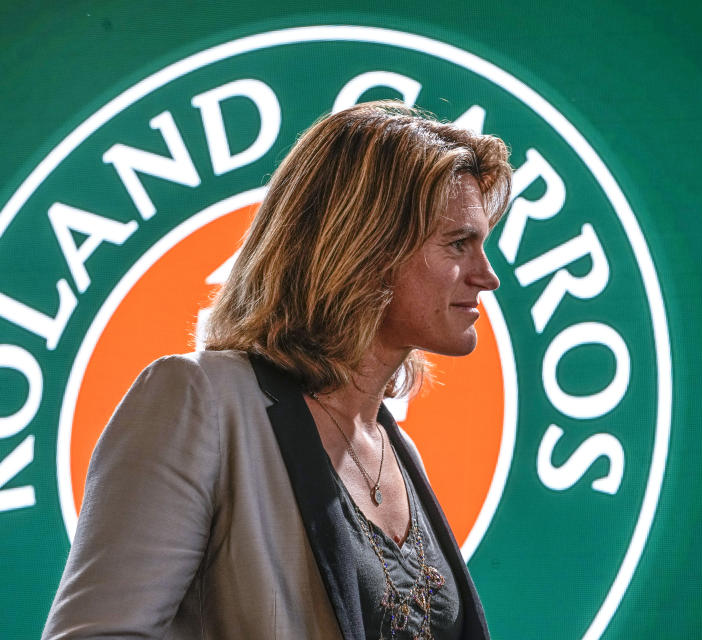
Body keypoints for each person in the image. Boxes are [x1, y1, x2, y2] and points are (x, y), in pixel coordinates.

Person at [42, 100, 512, 640]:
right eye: (459, 243)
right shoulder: (198, 401)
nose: (486, 276)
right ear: (364, 245)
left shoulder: (399, 452)